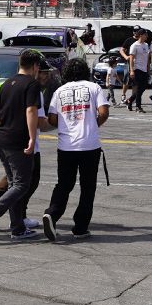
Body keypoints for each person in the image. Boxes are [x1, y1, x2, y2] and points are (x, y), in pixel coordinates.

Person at [0, 49, 44, 243]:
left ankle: (17, 227)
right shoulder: (32, 84)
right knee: (23, 184)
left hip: (2, 139)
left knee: (14, 183)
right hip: (18, 140)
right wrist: (32, 137)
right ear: (35, 66)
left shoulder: (7, 83)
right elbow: (31, 111)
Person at [42, 57, 109, 241]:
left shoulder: (59, 91)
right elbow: (104, 112)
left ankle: (52, 214)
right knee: (88, 187)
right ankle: (80, 227)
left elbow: (52, 119)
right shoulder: (94, 88)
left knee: (64, 184)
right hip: (89, 145)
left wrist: (67, 122)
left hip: (66, 146)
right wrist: (92, 126)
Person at [125, 28, 151, 112]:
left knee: (143, 87)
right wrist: (132, 70)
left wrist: (148, 68)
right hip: (137, 69)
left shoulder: (146, 45)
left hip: (144, 69)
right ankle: (138, 106)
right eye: (145, 35)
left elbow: (147, 58)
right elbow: (131, 59)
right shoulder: (134, 45)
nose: (147, 36)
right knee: (139, 87)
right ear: (141, 35)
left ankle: (130, 100)